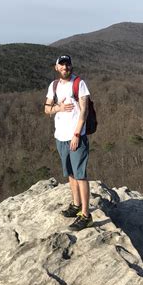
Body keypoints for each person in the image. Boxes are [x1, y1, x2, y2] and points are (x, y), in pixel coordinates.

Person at [45, 55, 93, 230]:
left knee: (80, 175)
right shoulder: (54, 86)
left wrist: (77, 134)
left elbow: (84, 111)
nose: (65, 67)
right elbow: (46, 109)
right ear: (57, 67)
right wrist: (59, 107)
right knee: (70, 174)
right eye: (62, 65)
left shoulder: (79, 83)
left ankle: (86, 215)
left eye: (68, 64)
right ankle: (75, 204)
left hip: (75, 137)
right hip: (60, 136)